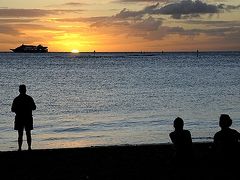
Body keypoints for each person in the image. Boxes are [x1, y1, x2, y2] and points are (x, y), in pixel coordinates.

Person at [11, 84, 36, 151]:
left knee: (20, 134)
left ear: (19, 90)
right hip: (28, 118)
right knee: (28, 133)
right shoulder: (29, 98)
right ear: (25, 90)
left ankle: (19, 148)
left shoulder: (16, 99)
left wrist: (19, 110)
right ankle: (29, 147)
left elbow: (12, 109)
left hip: (19, 118)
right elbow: (34, 107)